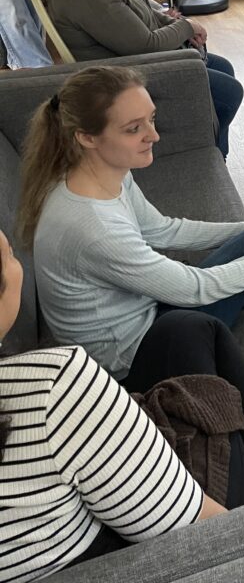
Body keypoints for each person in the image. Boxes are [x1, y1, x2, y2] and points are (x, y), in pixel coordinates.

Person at [18, 65, 244, 398]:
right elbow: (194, 289)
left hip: (144, 314)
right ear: (87, 137)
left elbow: (160, 230)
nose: (153, 135)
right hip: (134, 359)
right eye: (133, 128)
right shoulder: (93, 229)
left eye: (151, 119)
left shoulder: (104, 172)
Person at [0, 230, 231, 580]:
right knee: (199, 340)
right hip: (164, 549)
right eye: (8, 254)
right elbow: (215, 533)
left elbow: (163, 227)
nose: (17, 260)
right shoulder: (52, 387)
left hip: (95, 474)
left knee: (184, 330)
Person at [39, 0, 243, 159]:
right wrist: (186, 25)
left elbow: (139, 16)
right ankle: (205, 153)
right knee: (229, 91)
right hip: (132, 72)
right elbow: (145, 45)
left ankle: (210, 147)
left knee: (223, 69)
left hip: (134, 62)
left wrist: (172, 24)